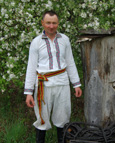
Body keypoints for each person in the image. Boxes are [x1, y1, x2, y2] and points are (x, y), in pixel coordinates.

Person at [24, 10, 82, 143]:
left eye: (54, 23)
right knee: (42, 119)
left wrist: (76, 84)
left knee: (63, 118)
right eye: (48, 23)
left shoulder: (65, 40)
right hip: (43, 85)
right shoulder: (36, 42)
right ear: (42, 23)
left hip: (62, 83)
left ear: (58, 23)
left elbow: (70, 62)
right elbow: (31, 68)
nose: (51, 26)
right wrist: (28, 92)